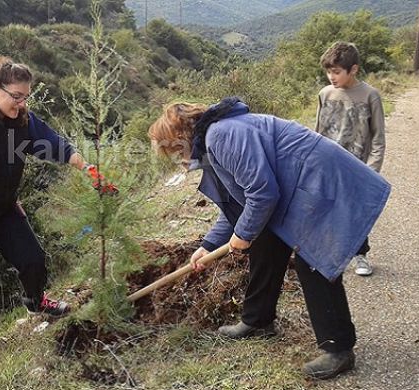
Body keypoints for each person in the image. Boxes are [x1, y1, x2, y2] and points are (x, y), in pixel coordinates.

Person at [148, 97, 390, 380]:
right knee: (264, 242)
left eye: (173, 151)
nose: (177, 159)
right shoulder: (215, 139)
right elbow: (237, 205)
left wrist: (243, 234)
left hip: (319, 181)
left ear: (180, 138)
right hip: (296, 189)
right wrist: (208, 246)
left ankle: (339, 348)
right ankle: (258, 321)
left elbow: (262, 193)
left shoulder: (221, 135)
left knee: (312, 259)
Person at [0, 55, 116, 370]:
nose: (21, 103)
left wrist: (89, 169)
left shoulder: (20, 121)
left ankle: (35, 302)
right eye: (16, 96)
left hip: (0, 207)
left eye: (25, 96)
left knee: (32, 259)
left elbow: (56, 145)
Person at [316, 41, 386, 277]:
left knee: (353, 211)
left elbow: (378, 137)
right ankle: (324, 253)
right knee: (324, 206)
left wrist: (371, 170)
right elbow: (318, 131)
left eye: (336, 72)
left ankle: (360, 255)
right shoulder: (325, 93)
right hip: (327, 163)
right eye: (328, 71)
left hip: (356, 166)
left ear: (353, 69)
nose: (331, 77)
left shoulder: (370, 96)